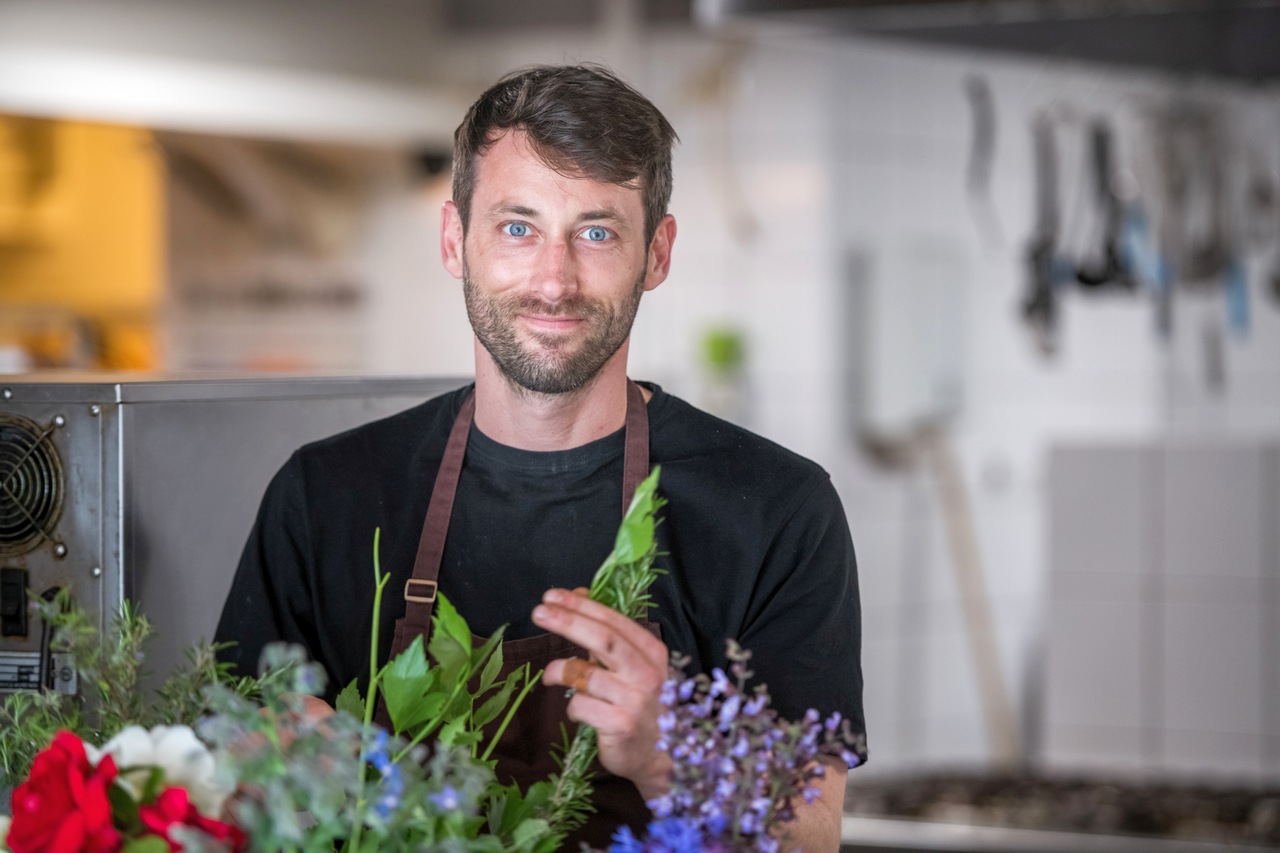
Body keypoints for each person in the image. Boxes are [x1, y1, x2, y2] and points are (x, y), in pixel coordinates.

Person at [215, 63, 865, 850]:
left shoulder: (776, 509)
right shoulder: (326, 496)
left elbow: (813, 834)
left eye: (596, 232)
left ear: (656, 254)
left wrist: (670, 754)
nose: (554, 280)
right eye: (517, 227)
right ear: (457, 242)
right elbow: (228, 764)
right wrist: (291, 767)